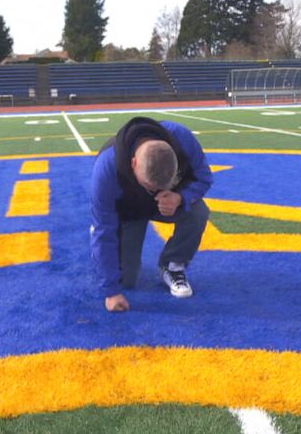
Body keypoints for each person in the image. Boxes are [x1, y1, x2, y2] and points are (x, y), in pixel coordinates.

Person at [91, 116, 213, 312]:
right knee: (126, 280)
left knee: (198, 211)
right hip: (127, 210)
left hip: (169, 203)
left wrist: (181, 197)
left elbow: (204, 177)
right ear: (133, 164)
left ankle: (172, 265)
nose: (154, 191)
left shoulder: (182, 139)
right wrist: (111, 291)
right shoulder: (107, 167)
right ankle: (117, 239)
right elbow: (104, 230)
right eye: (150, 186)